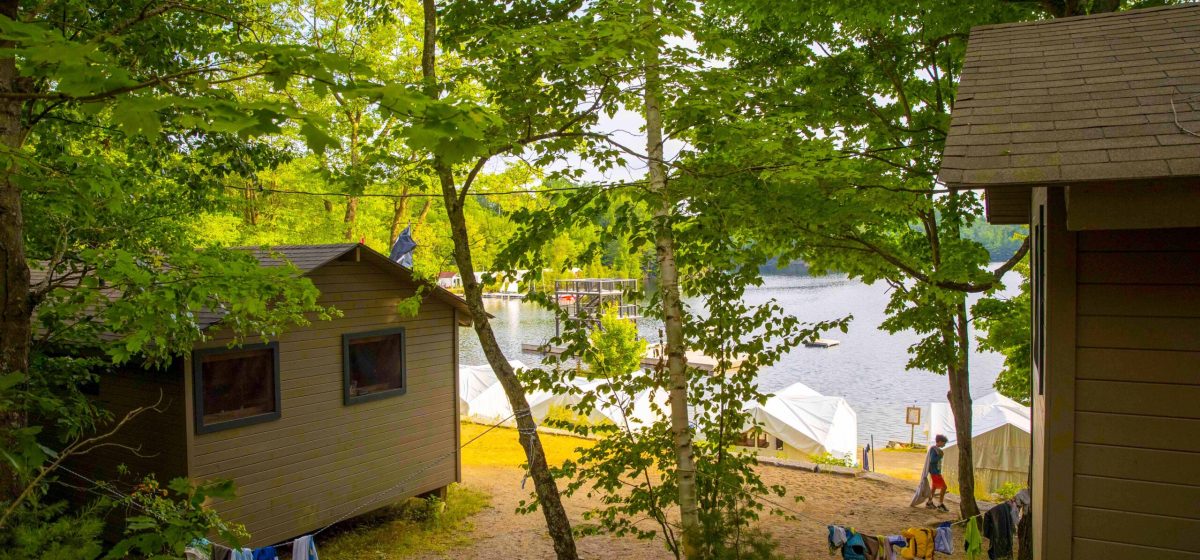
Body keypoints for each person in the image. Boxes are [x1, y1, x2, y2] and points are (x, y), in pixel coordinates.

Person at [926, 434, 949, 512]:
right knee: (944, 487)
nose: (944, 445)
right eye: (944, 443)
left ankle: (929, 502)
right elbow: (932, 460)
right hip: (935, 472)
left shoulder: (936, 449)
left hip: (935, 471)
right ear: (939, 442)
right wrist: (940, 456)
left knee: (934, 488)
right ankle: (940, 504)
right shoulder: (934, 449)